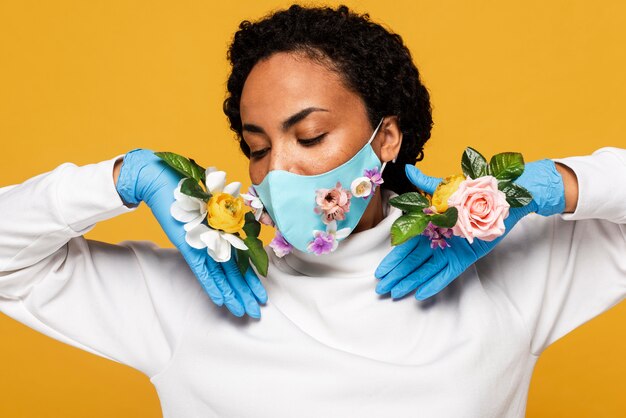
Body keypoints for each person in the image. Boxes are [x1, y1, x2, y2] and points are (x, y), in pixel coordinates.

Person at [0, 4, 624, 417]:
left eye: (309, 135)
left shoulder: (505, 274)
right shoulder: (199, 288)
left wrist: (551, 186)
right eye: (257, 147)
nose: (279, 170)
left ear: (385, 139)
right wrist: (123, 179)